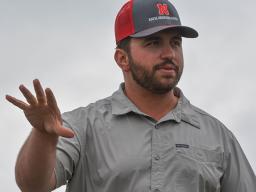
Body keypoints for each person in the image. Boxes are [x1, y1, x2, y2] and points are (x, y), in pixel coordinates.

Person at [6, 0, 256, 191]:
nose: (169, 53)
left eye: (176, 42)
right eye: (154, 42)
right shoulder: (82, 126)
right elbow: (33, 185)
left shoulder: (218, 135)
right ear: (122, 58)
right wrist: (43, 136)